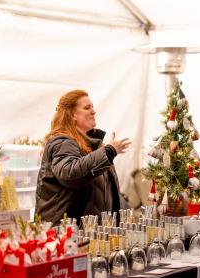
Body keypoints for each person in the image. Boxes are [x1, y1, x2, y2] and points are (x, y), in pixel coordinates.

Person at [35, 89, 131, 225]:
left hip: (87, 232)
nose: (93, 111)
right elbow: (70, 173)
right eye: (87, 108)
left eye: (92, 107)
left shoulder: (93, 145)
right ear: (72, 114)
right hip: (65, 234)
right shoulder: (63, 142)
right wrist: (109, 151)